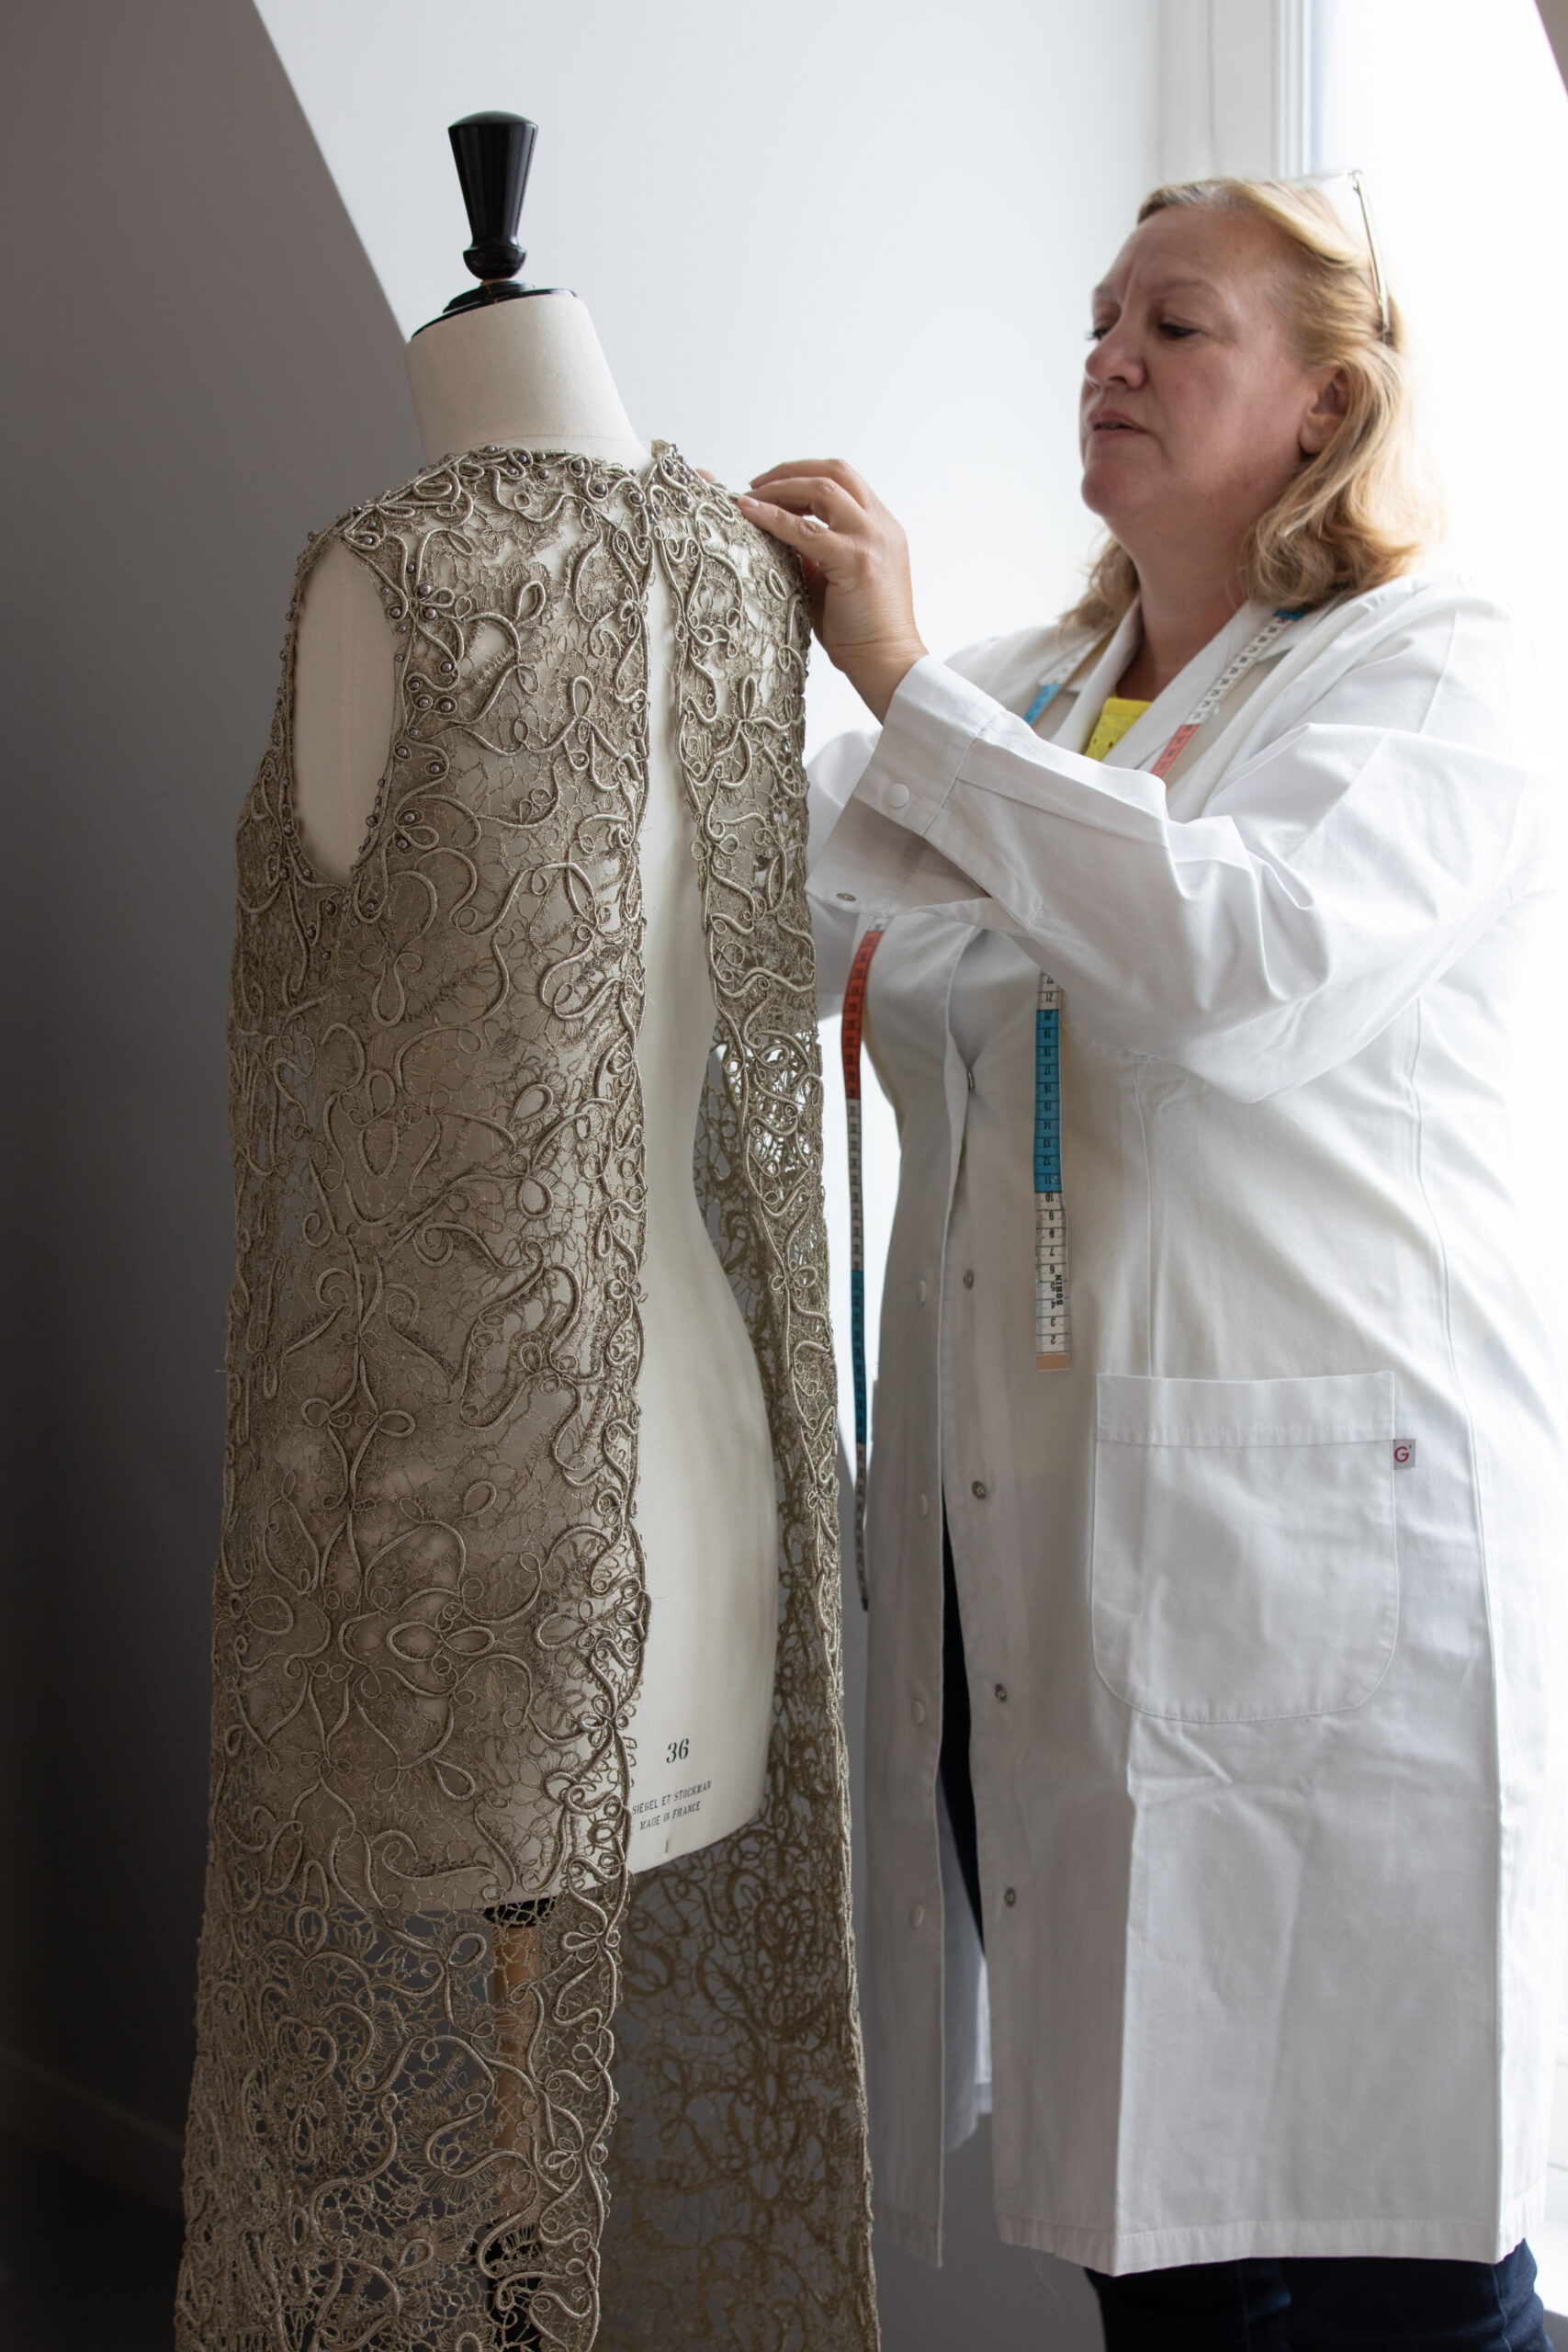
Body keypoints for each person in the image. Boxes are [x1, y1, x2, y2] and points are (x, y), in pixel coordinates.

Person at [736, 177, 1565, 2351]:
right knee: (1155, 2244)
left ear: (1323, 406)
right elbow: (774, 900)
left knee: (1396, 2273)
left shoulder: (1431, 672)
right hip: (1030, 1559)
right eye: (1100, 317)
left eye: (1174, 324)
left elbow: (1227, 964)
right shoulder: (1036, 693)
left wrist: (900, 684)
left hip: (1312, 1565)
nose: (1107, 354)